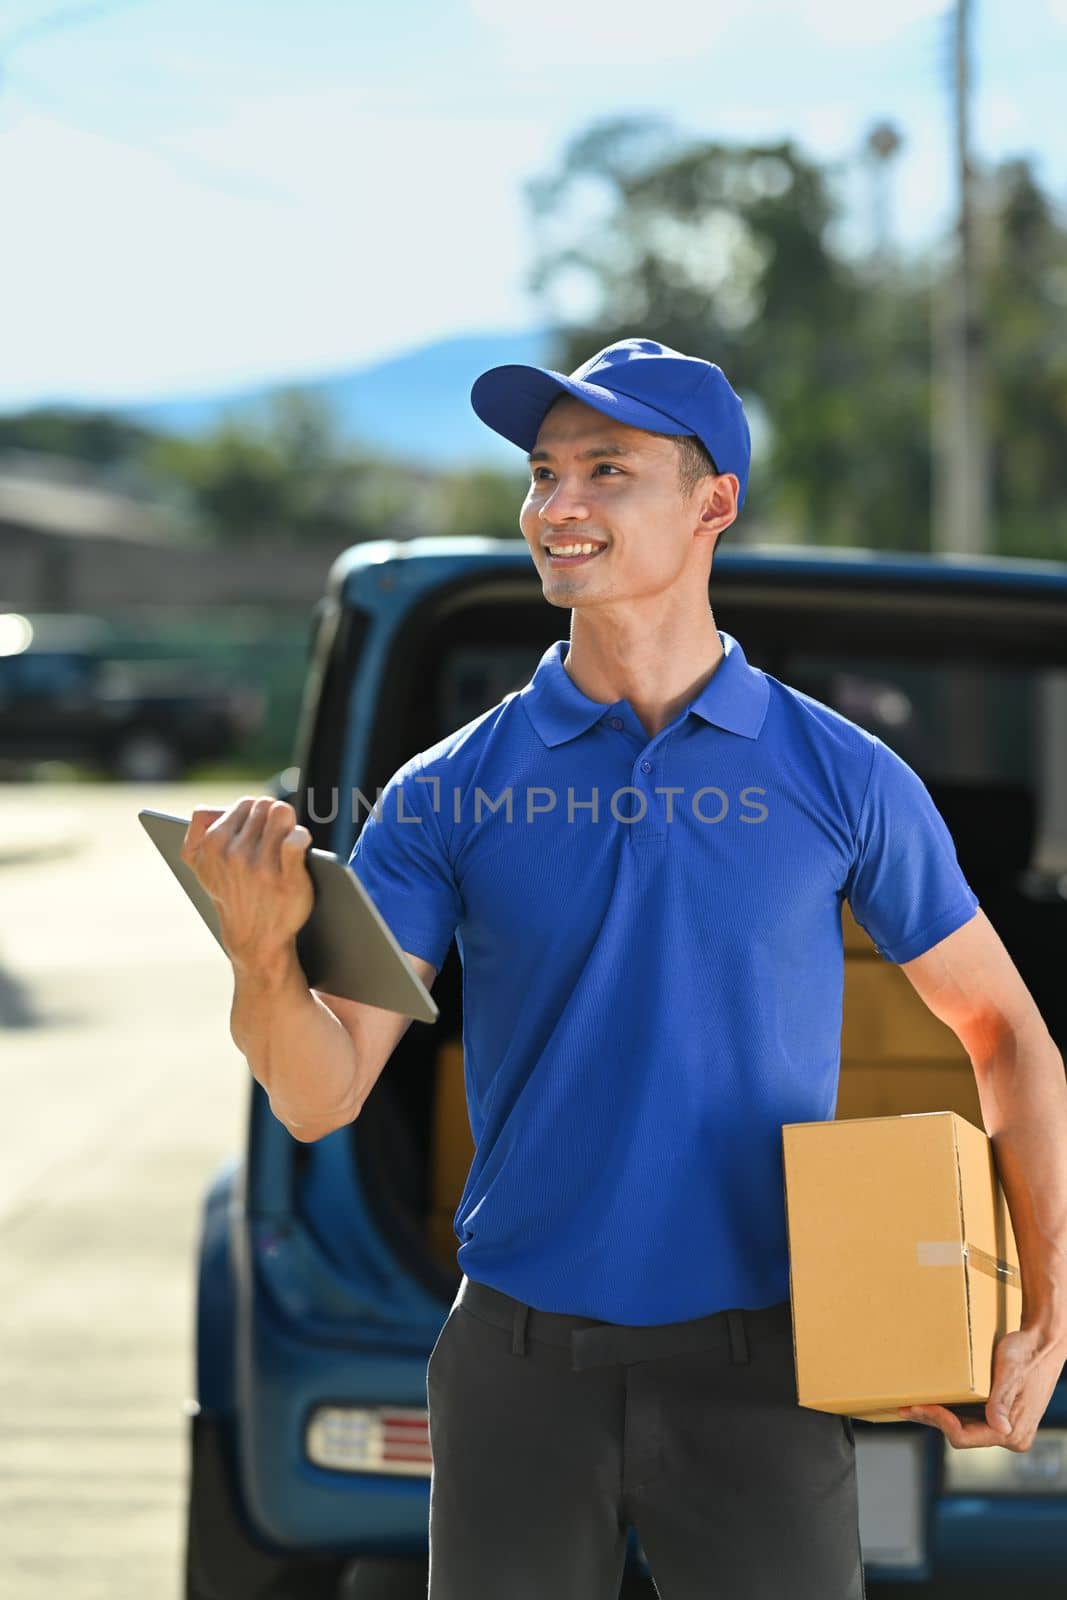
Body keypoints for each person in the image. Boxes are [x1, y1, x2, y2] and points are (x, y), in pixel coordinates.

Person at [181, 337, 1067, 1599]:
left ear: (713, 503)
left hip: (770, 1363)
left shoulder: (837, 775)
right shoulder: (448, 792)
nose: (558, 505)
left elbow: (1006, 1038)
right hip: (514, 1365)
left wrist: (1047, 1302)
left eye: (607, 470)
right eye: (542, 474)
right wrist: (263, 958)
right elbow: (319, 1093)